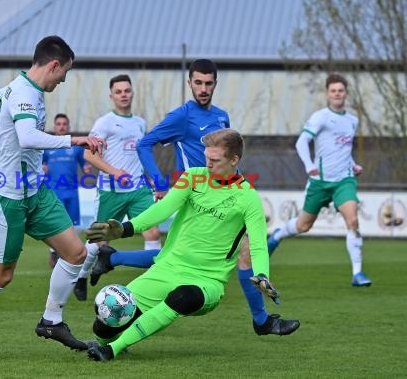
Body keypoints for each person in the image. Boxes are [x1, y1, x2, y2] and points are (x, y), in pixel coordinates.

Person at [90, 59, 300, 336]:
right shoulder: (182, 116)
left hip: (220, 194)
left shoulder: (222, 116)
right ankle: (261, 320)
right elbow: (145, 143)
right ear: (189, 83)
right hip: (193, 195)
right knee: (175, 258)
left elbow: (227, 153)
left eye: (208, 83)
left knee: (237, 254)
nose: (203, 88)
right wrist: (159, 182)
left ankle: (112, 258)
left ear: (215, 83)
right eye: (197, 82)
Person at [0, 35, 105, 361]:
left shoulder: (15, 88)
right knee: (1, 274)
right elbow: (27, 137)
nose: (63, 80)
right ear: (53, 64)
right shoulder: (24, 94)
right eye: (64, 73)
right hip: (8, 198)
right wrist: (75, 140)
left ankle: (52, 320)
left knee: (75, 253)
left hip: (35, 191)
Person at [84, 129, 291, 361]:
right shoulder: (193, 177)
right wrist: (125, 228)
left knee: (182, 297)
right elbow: (161, 210)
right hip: (166, 270)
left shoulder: (248, 198)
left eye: (215, 160)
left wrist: (262, 274)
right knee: (104, 326)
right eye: (206, 158)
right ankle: (104, 342)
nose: (208, 164)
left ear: (234, 160)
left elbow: (259, 244)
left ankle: (113, 349)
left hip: (206, 282)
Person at [267, 73, 372, 287]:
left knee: (352, 220)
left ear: (346, 94)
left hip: (344, 180)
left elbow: (343, 149)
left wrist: (353, 165)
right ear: (327, 94)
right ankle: (278, 235)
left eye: (340, 91)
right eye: (333, 91)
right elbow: (301, 143)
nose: (337, 94)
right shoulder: (320, 117)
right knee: (303, 225)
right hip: (320, 182)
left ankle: (358, 273)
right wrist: (310, 166)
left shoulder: (352, 120)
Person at [73, 74, 162, 301]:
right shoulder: (104, 123)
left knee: (152, 231)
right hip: (111, 191)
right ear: (111, 96)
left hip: (138, 190)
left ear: (132, 93)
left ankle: (155, 283)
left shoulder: (140, 123)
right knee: (99, 241)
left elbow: (139, 155)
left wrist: (150, 177)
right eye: (119, 91)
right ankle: (82, 276)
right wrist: (115, 172)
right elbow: (88, 155)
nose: (124, 94)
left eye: (127, 90)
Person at [42, 113, 91, 269]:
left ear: (68, 127)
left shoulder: (76, 148)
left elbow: (85, 165)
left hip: (72, 192)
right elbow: (41, 166)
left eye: (64, 124)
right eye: (59, 124)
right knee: (57, 224)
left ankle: (69, 253)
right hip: (54, 192)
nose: (62, 126)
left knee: (72, 225)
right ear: (55, 127)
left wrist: (88, 168)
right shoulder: (47, 147)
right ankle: (54, 251)